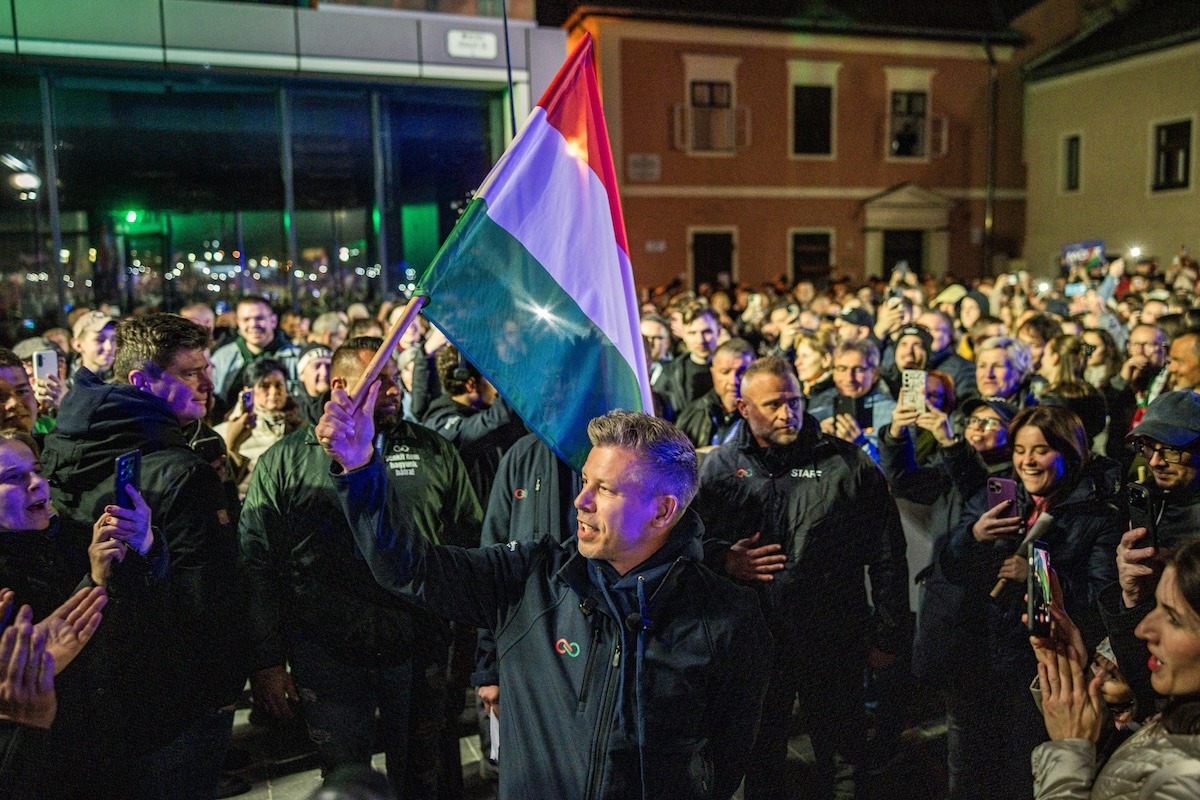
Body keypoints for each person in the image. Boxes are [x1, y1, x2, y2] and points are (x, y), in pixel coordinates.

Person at [317, 401, 773, 800]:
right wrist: (360, 471)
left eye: (605, 489)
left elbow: (726, 756)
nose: (581, 500)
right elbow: (410, 567)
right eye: (585, 481)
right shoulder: (531, 577)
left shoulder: (727, 615)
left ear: (663, 510)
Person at [240, 336, 481, 798]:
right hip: (326, 651)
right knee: (343, 776)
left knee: (422, 777)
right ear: (340, 385)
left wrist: (470, 640)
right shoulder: (287, 460)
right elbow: (256, 562)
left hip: (419, 644)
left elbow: (466, 544)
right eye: (381, 380)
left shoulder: (434, 451)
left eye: (397, 380)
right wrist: (267, 661)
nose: (394, 391)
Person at [40, 313, 247, 799]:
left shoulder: (67, 443)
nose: (206, 382)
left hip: (95, 679)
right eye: (189, 372)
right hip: (175, 690)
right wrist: (222, 685)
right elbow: (207, 593)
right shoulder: (179, 471)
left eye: (207, 368)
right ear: (140, 380)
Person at [694, 356, 909, 799]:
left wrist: (889, 633)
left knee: (844, 754)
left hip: (832, 635)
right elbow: (690, 548)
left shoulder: (847, 466)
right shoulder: (717, 469)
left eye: (793, 401)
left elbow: (888, 556)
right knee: (758, 757)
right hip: (752, 640)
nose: (787, 412)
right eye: (773, 404)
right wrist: (724, 559)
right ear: (742, 407)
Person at [940, 405, 1124, 800]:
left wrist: (1037, 576)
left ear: (1069, 452)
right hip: (977, 658)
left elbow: (1099, 598)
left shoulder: (1097, 513)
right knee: (970, 772)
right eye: (1020, 449)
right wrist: (972, 535)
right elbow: (950, 568)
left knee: (1019, 773)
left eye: (1040, 450)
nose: (1027, 460)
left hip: (1039, 668)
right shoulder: (998, 493)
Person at [880, 397, 1015, 800]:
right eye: (974, 420)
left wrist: (953, 445)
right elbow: (903, 480)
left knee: (979, 731)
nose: (979, 427)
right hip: (948, 613)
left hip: (982, 617)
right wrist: (895, 435)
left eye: (993, 422)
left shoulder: (1008, 478)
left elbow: (976, 491)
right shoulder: (949, 467)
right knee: (961, 727)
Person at [1030, 539, 1200, 798]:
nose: (1142, 629)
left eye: (1173, 619)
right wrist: (1072, 676)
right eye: (1155, 606)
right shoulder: (1182, 717)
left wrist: (1069, 751)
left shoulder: (1188, 778)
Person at [1098, 390, 1200, 722]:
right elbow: (1145, 677)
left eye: (1170, 450)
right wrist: (1131, 598)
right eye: (1147, 447)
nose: (1154, 461)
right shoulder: (1150, 505)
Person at [214, 357, 306, 499]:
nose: (273, 392)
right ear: (249, 391)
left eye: (279, 385)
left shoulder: (303, 428)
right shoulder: (225, 432)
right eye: (265, 386)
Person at [210, 295, 301, 414]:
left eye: (260, 318)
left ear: (273, 321)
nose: (253, 324)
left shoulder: (296, 357)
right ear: (238, 323)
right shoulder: (222, 358)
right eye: (246, 319)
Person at [815, 339, 897, 461]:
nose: (849, 378)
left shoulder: (893, 414)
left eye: (858, 369)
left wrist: (861, 445)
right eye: (842, 369)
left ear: (874, 374)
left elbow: (894, 471)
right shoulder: (819, 411)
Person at [675, 338, 755, 450]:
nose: (733, 381)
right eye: (725, 372)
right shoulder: (693, 413)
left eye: (742, 372)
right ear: (713, 373)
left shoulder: (764, 415)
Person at [653, 304, 721, 415]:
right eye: (692, 333)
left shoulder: (734, 370)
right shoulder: (670, 373)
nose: (700, 340)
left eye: (706, 332)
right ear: (684, 335)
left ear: (718, 331)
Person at [974, 335, 1035, 407]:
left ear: (1019, 374)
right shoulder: (964, 409)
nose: (988, 374)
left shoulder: (1033, 411)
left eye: (998, 366)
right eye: (982, 366)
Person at [69, 311, 116, 384]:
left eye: (113, 339)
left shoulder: (128, 381)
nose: (109, 347)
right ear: (78, 345)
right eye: (100, 340)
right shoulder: (66, 386)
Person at [295, 344, 333, 427]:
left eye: (328, 366)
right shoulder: (293, 410)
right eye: (317, 366)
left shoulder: (342, 405)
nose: (324, 372)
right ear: (302, 374)